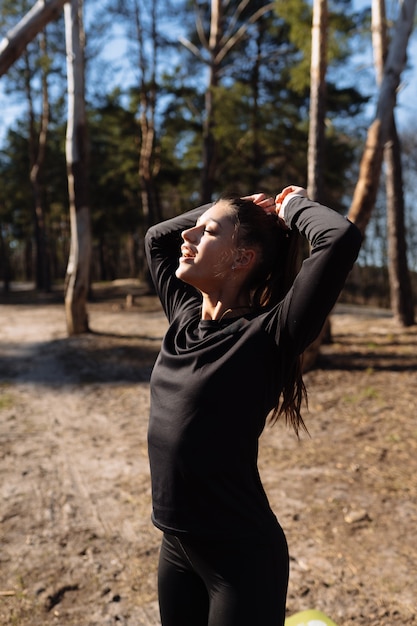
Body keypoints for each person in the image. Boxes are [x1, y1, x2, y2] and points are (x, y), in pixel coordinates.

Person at [144, 186, 362, 626]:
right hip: (176, 545)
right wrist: (224, 208)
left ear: (242, 259)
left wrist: (290, 206)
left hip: (239, 560)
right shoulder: (185, 320)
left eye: (205, 233)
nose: (187, 236)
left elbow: (338, 238)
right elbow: (156, 238)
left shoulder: (267, 336)